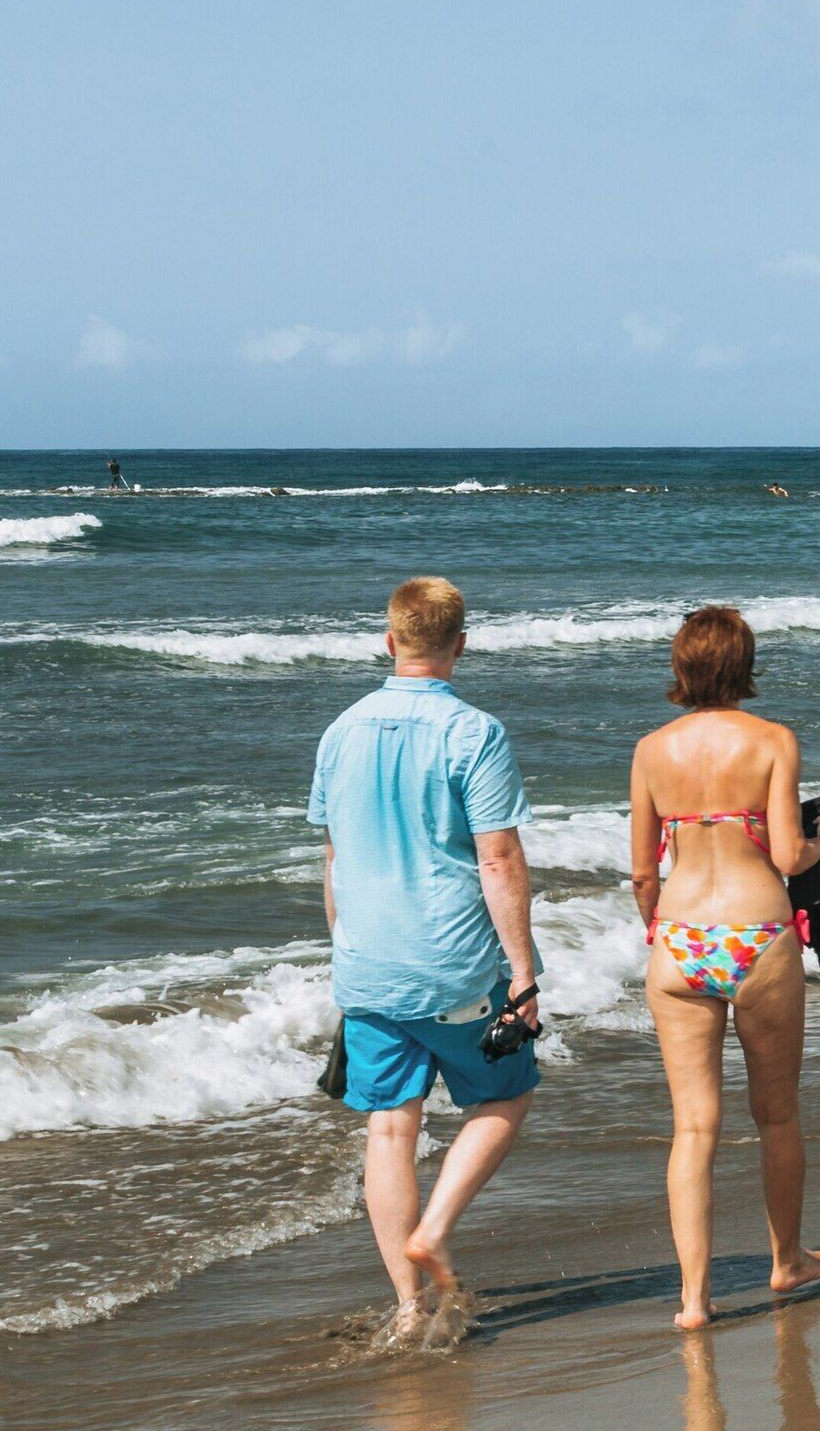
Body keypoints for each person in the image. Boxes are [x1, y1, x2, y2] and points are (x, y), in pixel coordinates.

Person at [310, 577, 542, 1346]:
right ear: (461, 645)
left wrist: (345, 951)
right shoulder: (474, 731)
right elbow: (499, 859)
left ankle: (409, 1305)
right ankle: (435, 1227)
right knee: (507, 1094)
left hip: (368, 962)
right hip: (451, 962)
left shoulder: (341, 730)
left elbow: (335, 856)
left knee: (389, 1129)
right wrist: (524, 970)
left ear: (389, 640)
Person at [628, 607, 820, 1331]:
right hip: (758, 935)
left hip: (682, 940)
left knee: (694, 1128)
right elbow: (786, 856)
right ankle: (787, 1261)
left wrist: (660, 933)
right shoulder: (773, 740)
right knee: (776, 1113)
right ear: (744, 663)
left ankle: (693, 1299)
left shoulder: (651, 750)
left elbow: (641, 875)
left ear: (681, 664)